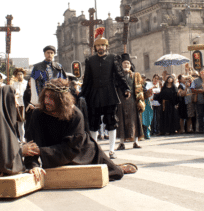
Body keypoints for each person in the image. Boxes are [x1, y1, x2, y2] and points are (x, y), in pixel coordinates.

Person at [23, 79, 137, 183]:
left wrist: (42, 152)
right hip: (52, 154)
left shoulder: (75, 115)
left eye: (51, 98)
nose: (47, 101)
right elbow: (32, 144)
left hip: (80, 153)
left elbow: (71, 148)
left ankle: (117, 167)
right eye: (46, 96)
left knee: (113, 173)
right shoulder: (37, 114)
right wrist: (33, 165)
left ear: (61, 100)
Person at [80, 28, 130, 159]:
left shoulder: (113, 58)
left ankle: (112, 150)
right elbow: (87, 80)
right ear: (95, 47)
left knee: (111, 121)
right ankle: (94, 150)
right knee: (94, 123)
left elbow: (119, 75)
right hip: (94, 95)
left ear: (106, 47)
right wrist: (81, 94)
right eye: (98, 45)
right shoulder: (90, 60)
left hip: (110, 94)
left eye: (103, 45)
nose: (100, 47)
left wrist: (126, 88)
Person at [116, 54, 145, 151]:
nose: (126, 65)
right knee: (121, 122)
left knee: (134, 122)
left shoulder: (135, 76)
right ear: (121, 64)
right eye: (124, 63)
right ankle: (121, 143)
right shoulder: (118, 76)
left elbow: (140, 88)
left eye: (128, 63)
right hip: (121, 102)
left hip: (132, 102)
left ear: (130, 64)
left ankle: (136, 142)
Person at [11, 67, 30, 141]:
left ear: (23, 75)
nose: (19, 76)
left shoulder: (26, 83)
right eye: (18, 74)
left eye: (21, 74)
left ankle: (28, 137)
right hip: (19, 104)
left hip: (27, 104)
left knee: (27, 122)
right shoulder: (14, 84)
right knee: (20, 123)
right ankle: (21, 138)